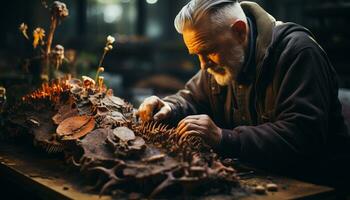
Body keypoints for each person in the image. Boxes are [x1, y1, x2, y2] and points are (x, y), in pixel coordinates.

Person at [137, 0, 350, 187]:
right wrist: (169, 107)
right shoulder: (220, 62)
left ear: (240, 31)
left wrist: (225, 138)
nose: (203, 66)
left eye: (208, 51)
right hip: (262, 178)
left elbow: (303, 135)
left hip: (315, 185)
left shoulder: (298, 53)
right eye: (197, 55)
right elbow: (190, 98)